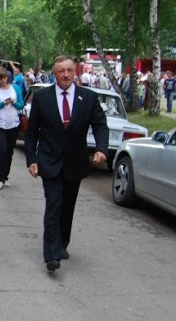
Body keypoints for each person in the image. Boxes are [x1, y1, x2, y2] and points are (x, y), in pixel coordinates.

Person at [24, 55, 108, 273]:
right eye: (61, 71)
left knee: (67, 205)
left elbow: (100, 125)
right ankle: (51, 255)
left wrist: (101, 149)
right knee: (53, 204)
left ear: (75, 73)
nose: (66, 74)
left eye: (69, 70)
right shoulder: (42, 97)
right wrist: (31, 159)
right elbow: (31, 132)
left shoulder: (88, 97)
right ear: (54, 74)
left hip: (75, 162)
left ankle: (62, 243)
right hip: (49, 160)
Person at [0, 67, 24, 190]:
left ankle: (5, 177)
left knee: (9, 152)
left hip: (13, 125)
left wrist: (14, 103)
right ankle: (0, 179)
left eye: (5, 78)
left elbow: (21, 105)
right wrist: (2, 104)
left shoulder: (15, 88)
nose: (3, 81)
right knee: (2, 151)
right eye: (0, 79)